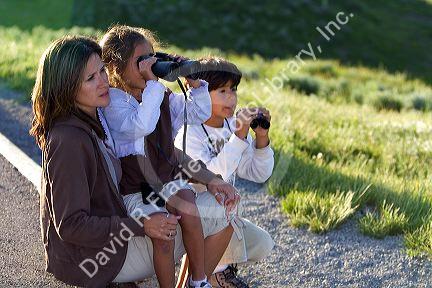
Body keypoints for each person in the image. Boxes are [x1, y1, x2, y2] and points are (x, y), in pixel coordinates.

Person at [30, 35, 237, 288]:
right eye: (91, 78)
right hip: (95, 261)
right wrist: (141, 225)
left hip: (110, 240)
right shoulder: (69, 140)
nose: (104, 82)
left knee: (211, 205)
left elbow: (167, 152)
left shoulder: (93, 117)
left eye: (103, 71)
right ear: (66, 86)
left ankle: (197, 282)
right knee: (219, 215)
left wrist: (212, 179)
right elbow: (71, 225)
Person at [99, 25, 239, 288]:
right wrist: (153, 82)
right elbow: (142, 124)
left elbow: (195, 115)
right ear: (116, 69)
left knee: (189, 205)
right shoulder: (114, 104)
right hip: (136, 189)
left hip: (164, 181)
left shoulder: (159, 95)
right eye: (141, 61)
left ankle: (198, 280)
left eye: (153, 57)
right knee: (164, 236)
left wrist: (194, 83)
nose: (150, 65)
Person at [175, 57, 275, 288]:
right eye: (222, 91)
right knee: (218, 203)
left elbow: (258, 174)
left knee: (263, 244)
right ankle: (205, 276)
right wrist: (238, 138)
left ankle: (214, 270)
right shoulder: (188, 132)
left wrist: (261, 140)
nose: (231, 98)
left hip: (222, 218)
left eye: (233, 90)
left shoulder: (231, 126)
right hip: (191, 222)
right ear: (200, 94)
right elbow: (212, 177)